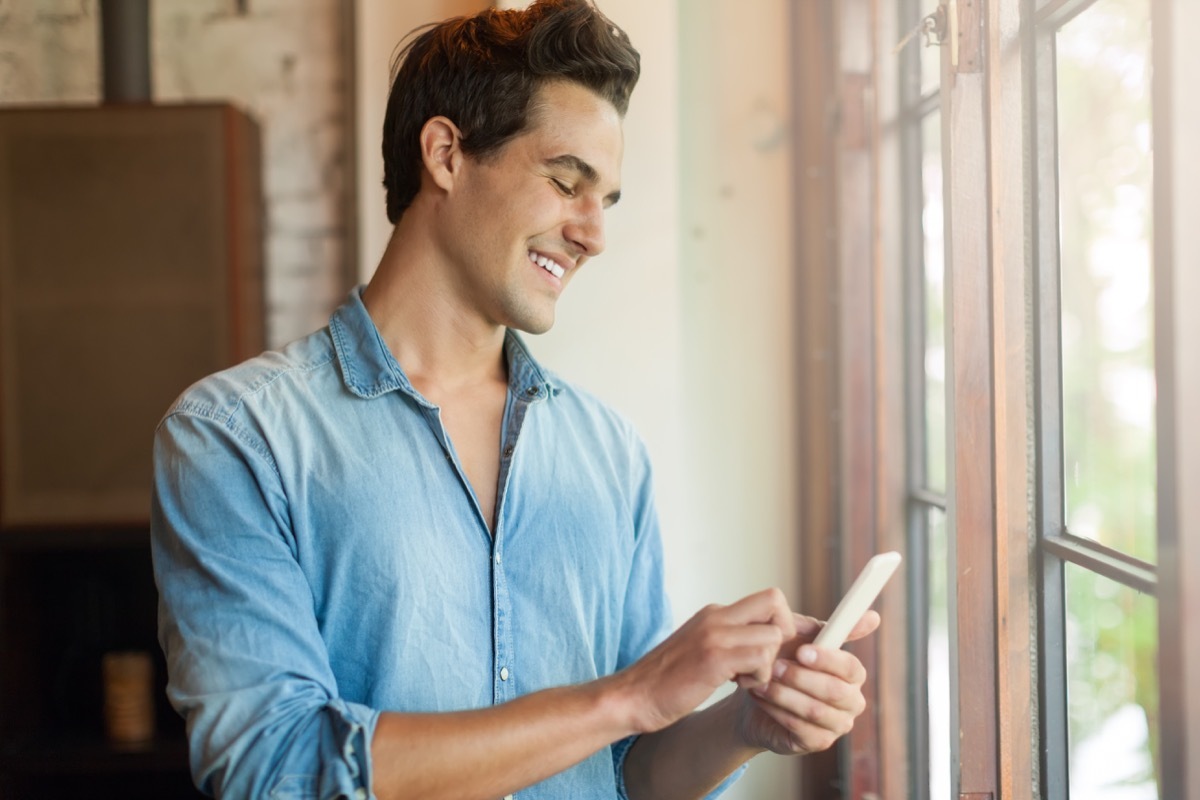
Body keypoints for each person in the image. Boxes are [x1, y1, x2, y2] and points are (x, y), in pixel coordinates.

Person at [150, 1, 880, 798]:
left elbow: (626, 770)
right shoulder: (233, 439)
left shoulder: (606, 451)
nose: (593, 234)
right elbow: (273, 771)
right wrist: (628, 695)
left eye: (606, 201)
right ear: (446, 154)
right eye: (568, 182)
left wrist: (746, 728)